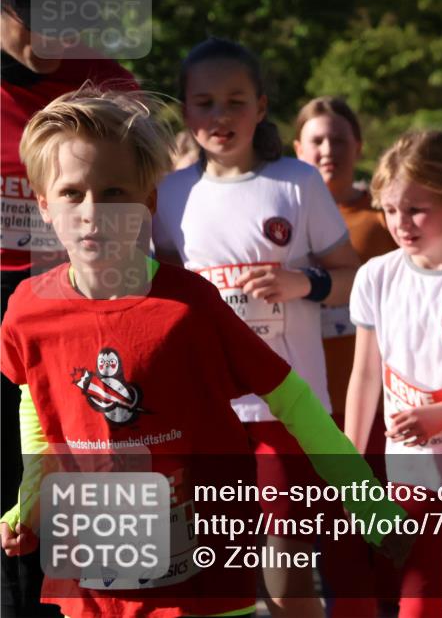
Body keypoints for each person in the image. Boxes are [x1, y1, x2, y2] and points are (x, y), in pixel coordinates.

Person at [0, 89, 410, 618]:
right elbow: (39, 405)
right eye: (72, 193)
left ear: (148, 202)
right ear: (43, 205)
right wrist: (27, 504)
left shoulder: (189, 305)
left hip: (203, 584)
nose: (92, 211)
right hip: (96, 579)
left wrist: (367, 503)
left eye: (114, 190)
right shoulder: (27, 309)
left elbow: (292, 400)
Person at [151, 39, 362, 618]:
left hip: (283, 408)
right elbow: (161, 290)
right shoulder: (171, 194)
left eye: (235, 101)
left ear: (262, 107)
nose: (220, 116)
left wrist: (307, 285)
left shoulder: (296, 183)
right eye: (205, 103)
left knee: (287, 567)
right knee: (218, 564)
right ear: (186, 111)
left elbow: (353, 277)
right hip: (208, 409)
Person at [1, 0, 138, 615]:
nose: (56, 40)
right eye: (37, 24)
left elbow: (148, 186)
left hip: (85, 297)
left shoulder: (106, 79)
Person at [343, 130, 442, 618]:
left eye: (417, 209)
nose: (401, 223)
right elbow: (364, 376)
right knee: (415, 594)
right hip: (410, 469)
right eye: (390, 209)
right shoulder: (376, 276)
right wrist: (350, 465)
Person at [293, 96, 400, 617]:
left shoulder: (385, 222)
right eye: (316, 140)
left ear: (358, 145)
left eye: (338, 138)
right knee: (330, 546)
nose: (328, 149)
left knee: (379, 540)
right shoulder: (284, 216)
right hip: (305, 410)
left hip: (374, 405)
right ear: (297, 148)